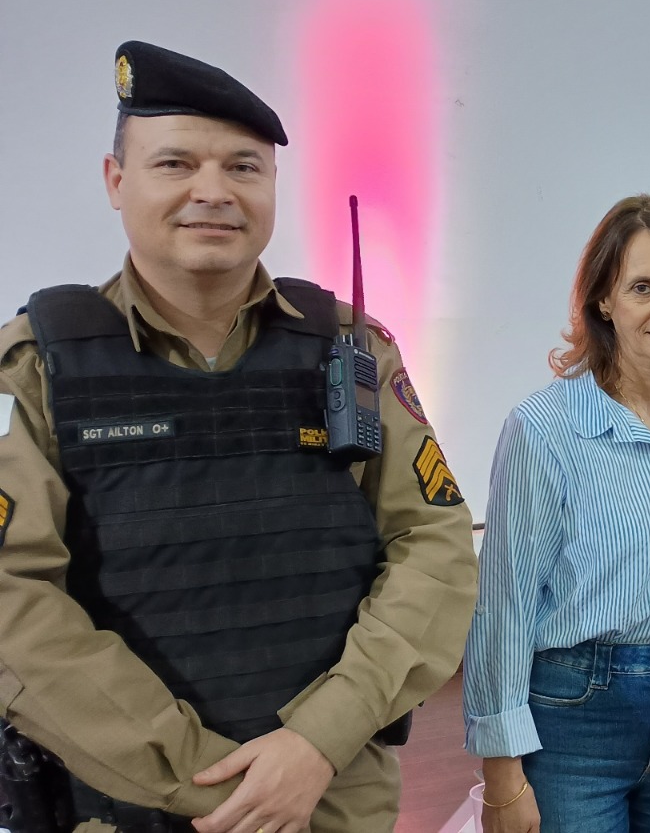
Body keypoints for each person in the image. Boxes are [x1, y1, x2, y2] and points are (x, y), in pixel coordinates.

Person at [0, 41, 479, 832]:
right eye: (176, 164)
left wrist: (318, 739)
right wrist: (212, 784)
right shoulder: (39, 368)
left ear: (273, 185)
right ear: (116, 180)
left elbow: (434, 542)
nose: (213, 192)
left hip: (329, 801)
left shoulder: (350, 350)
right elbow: (14, 602)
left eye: (243, 168)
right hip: (127, 808)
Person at [463, 194, 650, 833]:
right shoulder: (542, 429)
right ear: (603, 302)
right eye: (643, 287)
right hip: (574, 717)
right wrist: (501, 773)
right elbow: (504, 608)